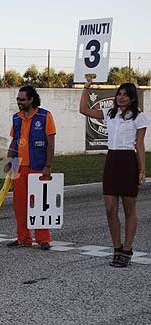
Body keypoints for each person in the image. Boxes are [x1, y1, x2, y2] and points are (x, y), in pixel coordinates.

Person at [79, 78, 147, 267]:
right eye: (119, 94)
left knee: (129, 209)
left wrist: (142, 170)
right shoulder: (109, 113)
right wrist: (86, 87)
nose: (121, 97)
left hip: (128, 161)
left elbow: (140, 144)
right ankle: (116, 247)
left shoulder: (139, 117)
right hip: (112, 161)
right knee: (110, 209)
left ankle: (127, 248)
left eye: (125, 94)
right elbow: (84, 110)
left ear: (132, 98)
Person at [4, 85, 56, 250]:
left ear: (31, 99)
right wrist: (9, 161)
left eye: (22, 99)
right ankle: (23, 238)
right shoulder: (16, 118)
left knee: (38, 204)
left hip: (38, 167)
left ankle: (43, 239)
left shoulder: (45, 116)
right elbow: (14, 141)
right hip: (19, 168)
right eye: (18, 99)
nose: (19, 102)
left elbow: (51, 143)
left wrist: (47, 166)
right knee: (19, 205)